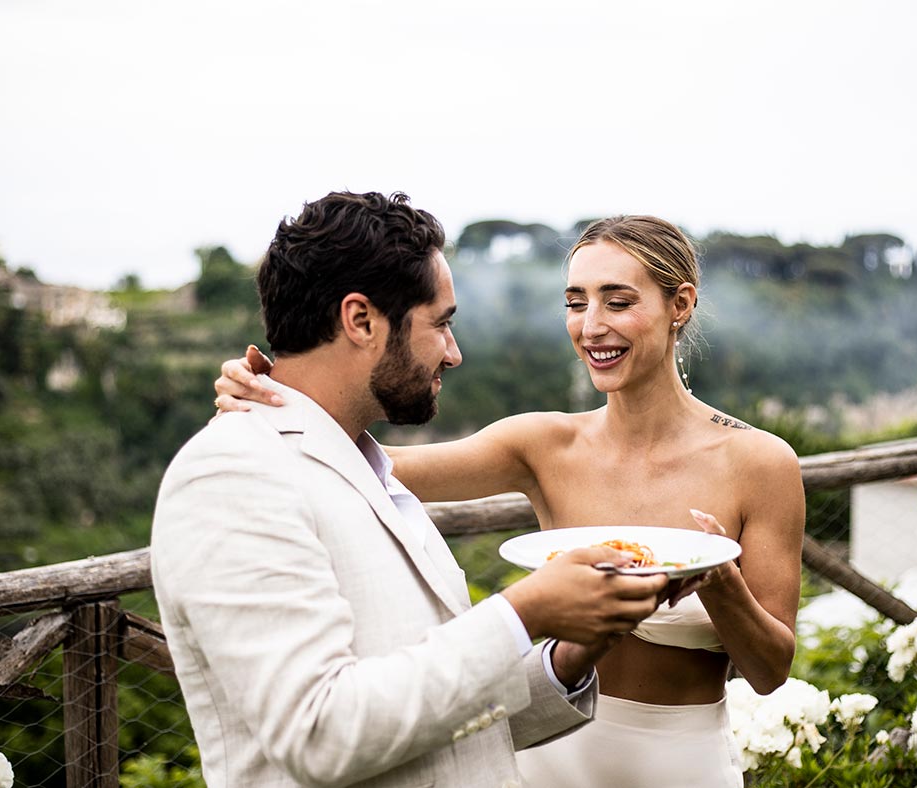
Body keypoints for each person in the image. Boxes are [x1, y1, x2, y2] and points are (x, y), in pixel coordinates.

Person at [217, 214, 806, 787]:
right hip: (546, 750)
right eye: (576, 303)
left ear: (680, 305)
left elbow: (769, 672)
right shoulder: (542, 445)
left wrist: (722, 584)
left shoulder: (760, 463)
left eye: (618, 302)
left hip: (682, 762)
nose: (592, 325)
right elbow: (370, 467)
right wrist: (274, 398)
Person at [152, 192, 677, 788]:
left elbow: (442, 715)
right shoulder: (233, 475)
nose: (453, 353)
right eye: (441, 323)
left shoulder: (365, 467)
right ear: (361, 320)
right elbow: (320, 734)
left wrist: (572, 653)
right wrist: (522, 612)